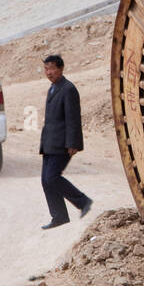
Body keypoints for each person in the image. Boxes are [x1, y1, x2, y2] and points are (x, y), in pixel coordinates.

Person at [39, 54, 92, 230]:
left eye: (52, 68)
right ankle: (59, 216)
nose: (49, 72)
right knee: (46, 180)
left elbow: (73, 118)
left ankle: (83, 201)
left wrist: (73, 143)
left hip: (62, 143)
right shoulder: (53, 88)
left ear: (61, 69)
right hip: (49, 143)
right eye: (46, 69)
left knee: (52, 177)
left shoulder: (68, 89)